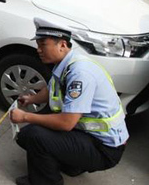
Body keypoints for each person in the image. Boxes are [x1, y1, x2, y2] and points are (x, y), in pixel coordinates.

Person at [10, 18, 128, 185]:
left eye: (43, 45)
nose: (38, 50)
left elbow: (66, 123)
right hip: (93, 137)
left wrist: (24, 117)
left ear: (62, 45)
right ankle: (72, 163)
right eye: (38, 45)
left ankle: (46, 181)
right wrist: (31, 99)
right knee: (44, 120)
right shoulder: (68, 63)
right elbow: (53, 90)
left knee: (32, 135)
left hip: (105, 149)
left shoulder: (80, 74)